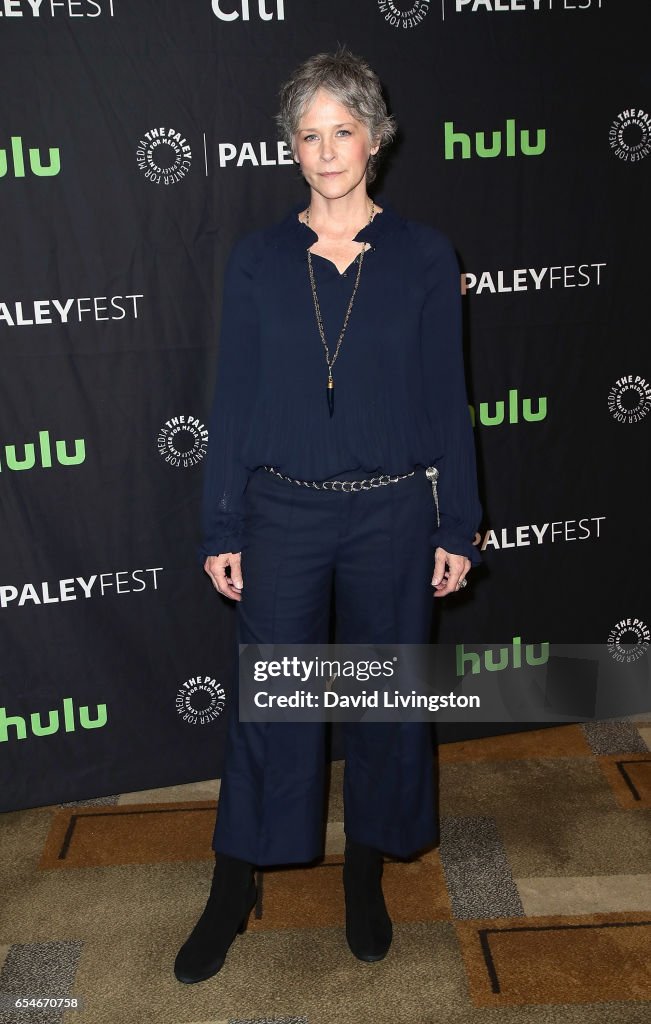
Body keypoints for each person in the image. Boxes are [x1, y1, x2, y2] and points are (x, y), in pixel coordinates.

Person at [174, 47, 482, 985]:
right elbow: (233, 401)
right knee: (273, 707)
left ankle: (363, 874)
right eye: (308, 136)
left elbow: (447, 399)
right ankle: (235, 883)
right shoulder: (258, 260)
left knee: (385, 706)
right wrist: (222, 523)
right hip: (282, 514)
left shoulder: (424, 255)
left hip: (393, 513)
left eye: (342, 130)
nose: (326, 151)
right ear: (291, 149)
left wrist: (455, 524)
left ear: (374, 138)